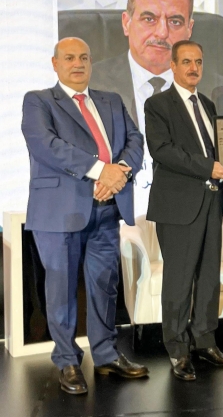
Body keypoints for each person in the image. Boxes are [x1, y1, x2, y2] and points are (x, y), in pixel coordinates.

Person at [21, 38, 148, 395]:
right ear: (55, 63)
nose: (77, 64)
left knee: (105, 286)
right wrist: (100, 171)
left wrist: (119, 172)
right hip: (58, 213)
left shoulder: (111, 100)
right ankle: (67, 361)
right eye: (69, 58)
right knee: (61, 289)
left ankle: (106, 355)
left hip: (107, 209)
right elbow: (46, 146)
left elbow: (135, 140)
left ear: (91, 62)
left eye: (84, 58)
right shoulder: (39, 101)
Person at [144, 40, 223, 381]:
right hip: (178, 206)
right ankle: (177, 348)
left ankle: (205, 340)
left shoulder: (207, 104)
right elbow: (161, 150)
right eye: (187, 62)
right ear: (173, 66)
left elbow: (221, 149)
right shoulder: (157, 104)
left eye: (199, 62)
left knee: (208, 277)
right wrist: (208, 167)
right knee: (178, 281)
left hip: (211, 201)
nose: (194, 68)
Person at [90, 0, 223, 129]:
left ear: (189, 29)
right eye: (149, 19)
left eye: (175, 22)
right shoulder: (87, 84)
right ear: (126, 23)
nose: (162, 33)